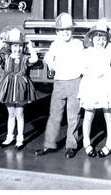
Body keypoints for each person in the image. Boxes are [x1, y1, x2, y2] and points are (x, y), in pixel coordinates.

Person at [34, 13, 84, 159]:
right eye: (62, 30)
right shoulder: (55, 44)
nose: (65, 32)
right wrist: (51, 64)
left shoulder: (78, 43)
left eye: (68, 29)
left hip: (75, 82)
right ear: (57, 32)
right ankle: (48, 144)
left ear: (73, 30)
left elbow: (84, 59)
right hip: (60, 84)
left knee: (73, 116)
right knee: (55, 115)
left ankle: (71, 145)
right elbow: (48, 57)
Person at [78, 18, 111, 158]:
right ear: (91, 39)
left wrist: (108, 24)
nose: (100, 41)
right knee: (89, 114)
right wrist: (93, 73)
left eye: (103, 38)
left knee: (108, 114)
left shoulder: (108, 50)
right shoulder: (86, 52)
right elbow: (80, 69)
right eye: (97, 38)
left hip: (106, 85)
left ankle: (109, 143)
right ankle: (86, 142)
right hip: (91, 84)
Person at [0, 28, 39, 150]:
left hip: (20, 87)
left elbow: (35, 59)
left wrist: (30, 47)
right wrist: (1, 45)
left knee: (20, 114)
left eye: (19, 46)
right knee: (11, 114)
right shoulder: (5, 57)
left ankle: (20, 138)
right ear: (10, 46)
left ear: (23, 47)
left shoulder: (24, 57)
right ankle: (9, 137)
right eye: (14, 46)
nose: (17, 49)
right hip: (7, 86)